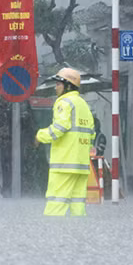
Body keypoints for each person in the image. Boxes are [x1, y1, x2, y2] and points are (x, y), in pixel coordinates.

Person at [35, 67, 95, 216]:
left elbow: (59, 128)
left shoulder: (64, 103)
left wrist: (39, 136)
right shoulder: (83, 105)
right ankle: (77, 235)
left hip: (64, 164)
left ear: (68, 86)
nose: (56, 88)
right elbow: (91, 134)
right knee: (77, 205)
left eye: (58, 84)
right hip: (81, 165)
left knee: (56, 203)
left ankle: (51, 235)